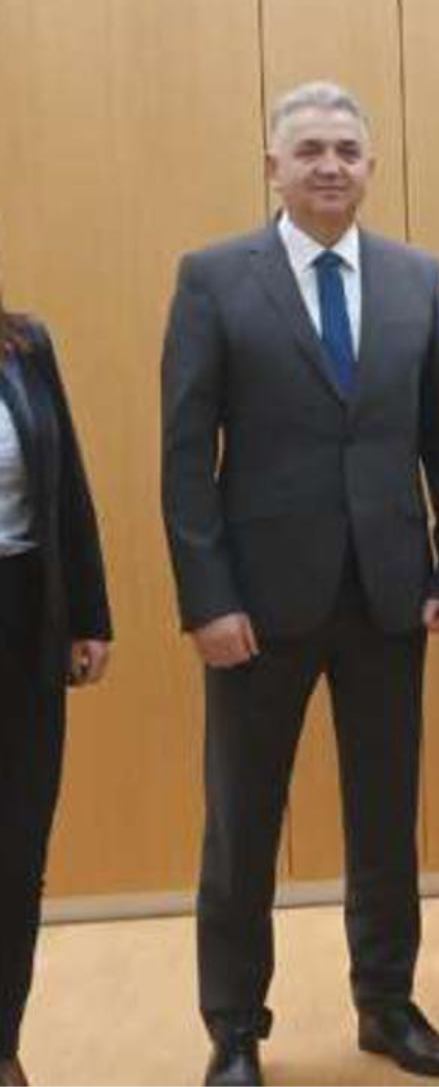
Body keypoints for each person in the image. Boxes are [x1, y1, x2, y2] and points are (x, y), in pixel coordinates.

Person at [161, 82, 439, 1087]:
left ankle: (387, 1004)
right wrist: (208, 598)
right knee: (243, 824)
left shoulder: (417, 277)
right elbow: (186, 456)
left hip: (389, 595)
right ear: (274, 167)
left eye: (347, 149)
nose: (330, 165)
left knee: (385, 816)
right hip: (256, 606)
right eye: (309, 151)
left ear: (371, 165)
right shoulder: (215, 278)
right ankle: (235, 1029)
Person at [0, 286, 112, 1087]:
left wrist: (89, 615)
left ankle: (2, 1042)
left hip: (25, 622)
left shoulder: (24, 345)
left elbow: (65, 481)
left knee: (17, 851)